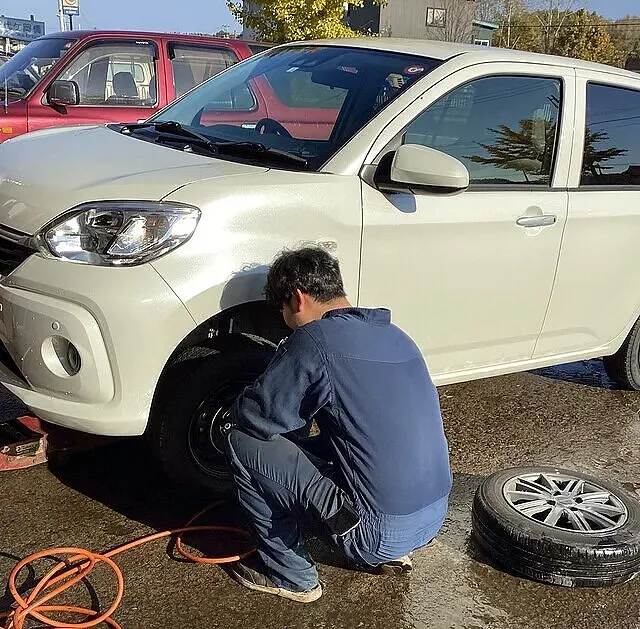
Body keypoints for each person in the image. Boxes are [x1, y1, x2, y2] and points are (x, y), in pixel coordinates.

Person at [225, 247, 452, 603]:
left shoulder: (314, 340)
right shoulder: (396, 334)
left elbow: (258, 418)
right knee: (352, 438)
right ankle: (394, 547)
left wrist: (251, 392)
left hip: (374, 534)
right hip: (432, 518)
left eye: (282, 310)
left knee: (241, 440)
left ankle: (292, 577)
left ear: (297, 299)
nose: (284, 319)